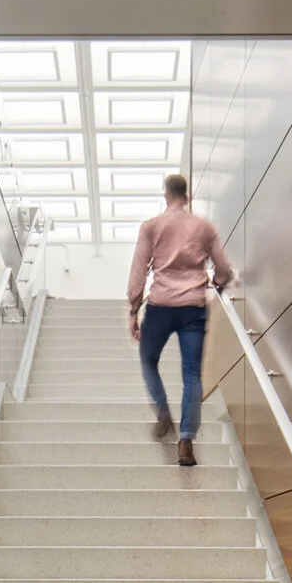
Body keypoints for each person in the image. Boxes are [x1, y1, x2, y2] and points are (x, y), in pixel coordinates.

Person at [125, 172, 236, 469]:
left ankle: (163, 412)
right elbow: (224, 267)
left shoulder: (151, 226)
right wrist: (218, 282)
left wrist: (134, 309)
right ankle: (186, 441)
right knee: (191, 375)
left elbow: (139, 269)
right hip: (193, 307)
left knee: (148, 360)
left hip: (160, 305)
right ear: (187, 196)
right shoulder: (204, 227)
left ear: (166, 194)